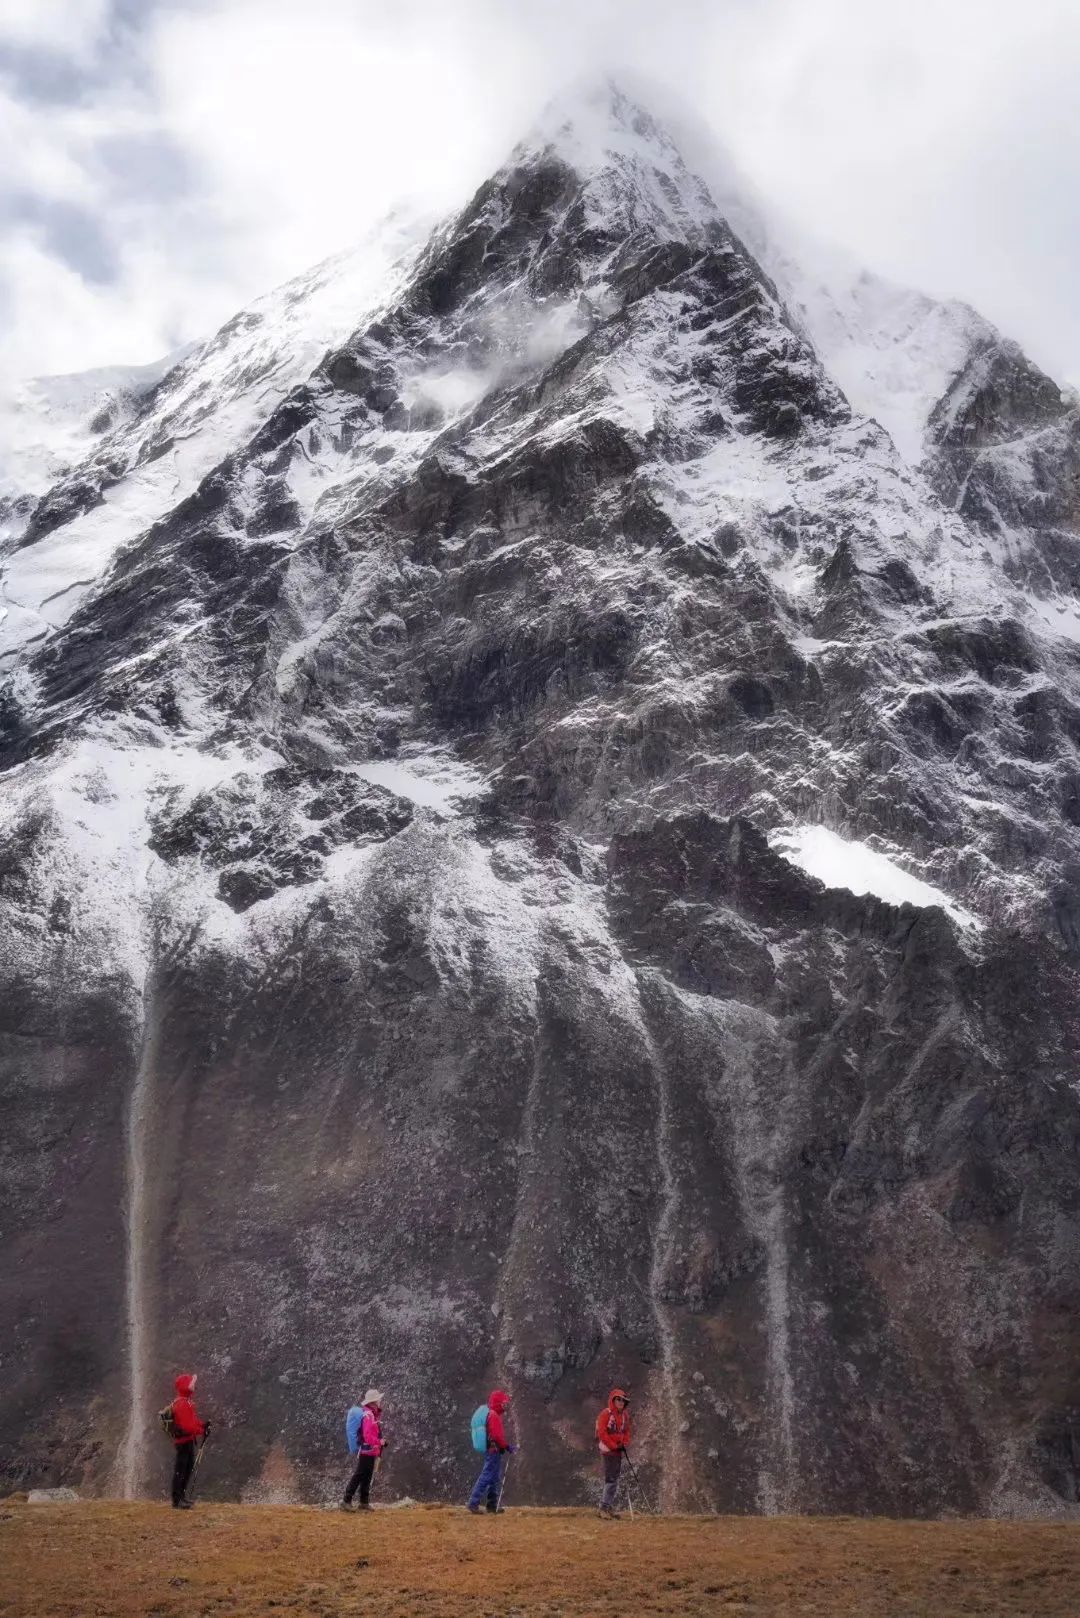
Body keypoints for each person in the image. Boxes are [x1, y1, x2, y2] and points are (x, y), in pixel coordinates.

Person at [467, 1389, 514, 1514]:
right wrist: (507, 1446)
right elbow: (497, 1436)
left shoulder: (491, 1414)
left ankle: (492, 1505)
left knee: (493, 1477)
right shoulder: (493, 1416)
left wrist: (503, 1447)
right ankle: (473, 1503)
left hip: (492, 1450)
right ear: (498, 1403)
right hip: (494, 1451)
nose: (505, 1406)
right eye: (503, 1403)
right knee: (487, 1475)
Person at [170, 1373, 209, 1510]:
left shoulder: (185, 1402)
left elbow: (192, 1422)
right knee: (181, 1470)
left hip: (187, 1440)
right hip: (184, 1442)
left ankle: (181, 1497)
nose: (194, 1386)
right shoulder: (183, 1404)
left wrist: (202, 1426)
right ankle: (177, 1499)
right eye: (191, 1384)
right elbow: (188, 1426)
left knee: (185, 1468)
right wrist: (201, 1430)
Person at [343, 1389, 386, 1510]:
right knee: (360, 1474)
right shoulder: (369, 1415)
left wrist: (379, 1442)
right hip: (367, 1450)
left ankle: (364, 1502)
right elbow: (367, 1436)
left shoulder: (371, 1414)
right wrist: (379, 1441)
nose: (380, 1401)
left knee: (366, 1475)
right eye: (378, 1400)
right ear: (374, 1402)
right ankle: (346, 1500)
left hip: (370, 1450)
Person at [596, 1388, 632, 1518]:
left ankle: (608, 1507)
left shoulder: (625, 1415)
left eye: (623, 1400)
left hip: (617, 1451)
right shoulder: (605, 1414)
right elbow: (602, 1433)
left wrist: (624, 1443)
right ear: (613, 1400)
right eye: (618, 1399)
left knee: (614, 1479)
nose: (621, 1402)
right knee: (611, 1479)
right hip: (609, 1451)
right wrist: (613, 1446)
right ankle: (604, 1508)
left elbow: (627, 1431)